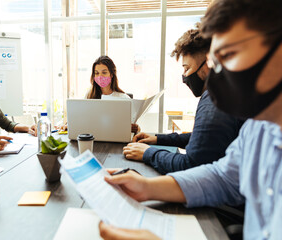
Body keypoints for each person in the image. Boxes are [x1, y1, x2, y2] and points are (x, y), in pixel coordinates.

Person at [99, 0, 282, 239]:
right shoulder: (259, 127)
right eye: (215, 63)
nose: (218, 75)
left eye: (230, 55)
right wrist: (147, 187)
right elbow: (224, 177)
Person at [122, 26, 244, 174]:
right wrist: (157, 138)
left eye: (186, 68)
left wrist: (148, 153)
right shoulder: (226, 92)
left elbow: (191, 164)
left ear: (208, 63)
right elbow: (202, 139)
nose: (184, 76)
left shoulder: (214, 101)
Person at [61, 55, 140, 133]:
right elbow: (81, 118)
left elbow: (136, 128)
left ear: (111, 74)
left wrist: (136, 128)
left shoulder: (124, 98)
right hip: (94, 138)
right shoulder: (89, 95)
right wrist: (69, 124)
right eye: (97, 73)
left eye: (104, 72)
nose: (100, 76)